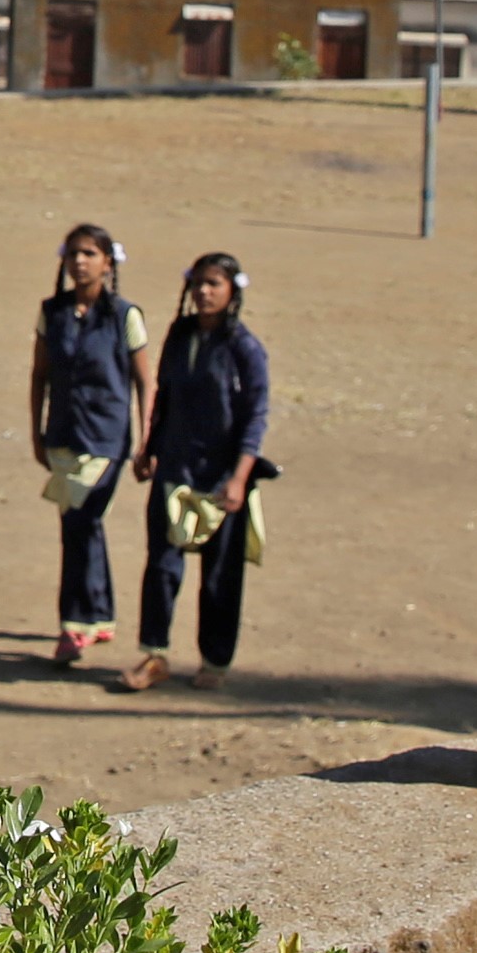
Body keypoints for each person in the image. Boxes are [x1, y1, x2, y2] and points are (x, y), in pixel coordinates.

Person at [120, 250, 271, 692]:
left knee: (220, 574)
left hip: (222, 477)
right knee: (163, 567)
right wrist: (150, 446)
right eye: (198, 283)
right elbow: (163, 395)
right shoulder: (180, 334)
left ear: (232, 291)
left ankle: (215, 661)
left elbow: (255, 416)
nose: (204, 292)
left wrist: (240, 476)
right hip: (175, 468)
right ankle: (154, 654)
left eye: (214, 284)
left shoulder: (244, 348)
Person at [26, 222, 149, 668]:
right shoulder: (52, 313)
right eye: (74, 254)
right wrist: (36, 432)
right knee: (80, 525)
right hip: (63, 435)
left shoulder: (124, 316)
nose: (80, 262)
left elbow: (143, 381)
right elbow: (39, 374)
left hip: (107, 439)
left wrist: (146, 435)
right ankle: (100, 613)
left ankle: (73, 624)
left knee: (81, 519)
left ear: (108, 263)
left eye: (90, 254)